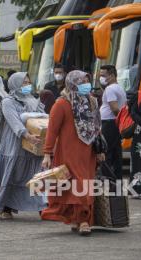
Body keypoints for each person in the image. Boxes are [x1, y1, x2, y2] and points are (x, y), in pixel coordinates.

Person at [41, 70, 104, 235]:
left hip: (88, 152)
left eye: (86, 80)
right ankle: (83, 220)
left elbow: (97, 127)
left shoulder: (92, 101)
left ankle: (80, 219)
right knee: (76, 185)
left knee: (85, 184)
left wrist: (100, 150)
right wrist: (47, 153)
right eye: (81, 81)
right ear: (73, 83)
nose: (85, 84)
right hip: (68, 153)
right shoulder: (61, 103)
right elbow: (52, 131)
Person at [0, 72, 46, 219]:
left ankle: (42, 207)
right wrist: (26, 134)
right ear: (15, 84)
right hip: (14, 144)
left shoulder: (34, 100)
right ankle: (6, 207)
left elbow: (43, 117)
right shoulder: (8, 102)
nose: (27, 85)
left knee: (34, 175)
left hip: (32, 145)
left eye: (28, 82)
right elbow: (13, 121)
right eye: (24, 83)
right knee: (12, 174)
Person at [99, 65, 126, 179]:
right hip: (114, 123)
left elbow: (115, 108)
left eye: (103, 75)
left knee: (107, 152)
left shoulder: (110, 89)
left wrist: (119, 121)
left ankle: (108, 180)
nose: (101, 78)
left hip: (109, 123)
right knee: (116, 153)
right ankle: (116, 180)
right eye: (100, 75)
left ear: (112, 75)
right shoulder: (119, 87)